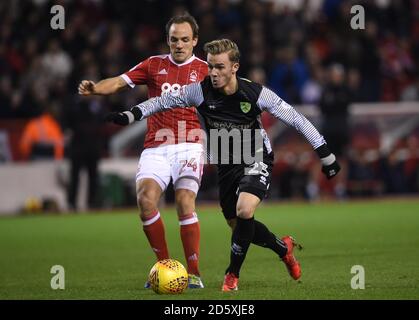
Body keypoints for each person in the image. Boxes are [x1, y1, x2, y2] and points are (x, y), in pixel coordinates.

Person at [105, 39, 340, 291]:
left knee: (245, 209)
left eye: (219, 67)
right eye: (210, 66)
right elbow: (161, 102)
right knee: (238, 224)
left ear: (235, 67)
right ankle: (283, 248)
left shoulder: (255, 93)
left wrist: (326, 156)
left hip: (255, 155)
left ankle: (232, 275)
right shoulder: (199, 91)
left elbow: (297, 119)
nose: (213, 73)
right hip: (226, 161)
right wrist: (130, 115)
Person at [78, 13, 208, 288]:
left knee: (185, 202)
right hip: (156, 147)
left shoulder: (206, 70)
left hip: (189, 144)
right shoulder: (153, 65)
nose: (179, 45)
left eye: (185, 39)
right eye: (174, 39)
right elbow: (119, 81)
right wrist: (96, 89)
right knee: (146, 201)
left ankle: (194, 272)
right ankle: (165, 267)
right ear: (168, 40)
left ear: (195, 40)